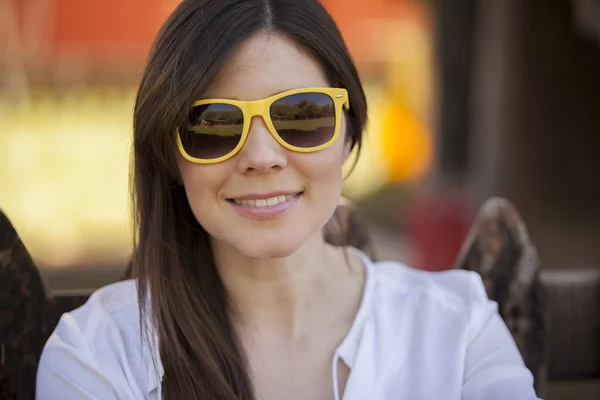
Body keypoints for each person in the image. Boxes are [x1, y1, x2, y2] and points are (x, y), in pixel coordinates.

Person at [36, 0, 542, 399]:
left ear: (348, 132)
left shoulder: (458, 331)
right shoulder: (98, 357)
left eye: (302, 116)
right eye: (215, 125)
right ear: (169, 155)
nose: (261, 156)